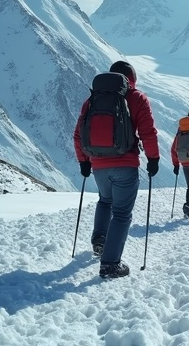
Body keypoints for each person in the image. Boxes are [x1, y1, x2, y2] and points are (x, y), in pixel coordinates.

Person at [73, 60, 160, 278]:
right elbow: (148, 132)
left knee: (105, 201)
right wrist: (153, 159)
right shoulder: (137, 98)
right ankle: (110, 264)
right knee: (121, 214)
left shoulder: (92, 99)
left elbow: (78, 134)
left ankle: (100, 240)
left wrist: (84, 161)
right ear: (131, 78)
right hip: (125, 163)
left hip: (98, 165)